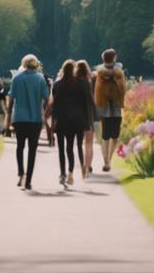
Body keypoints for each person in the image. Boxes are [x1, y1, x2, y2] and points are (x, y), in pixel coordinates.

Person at [7, 54, 49, 190]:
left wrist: (8, 115)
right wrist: (47, 115)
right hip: (35, 119)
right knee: (32, 150)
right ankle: (29, 179)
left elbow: (11, 98)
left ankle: (21, 173)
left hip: (19, 118)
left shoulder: (17, 78)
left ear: (23, 64)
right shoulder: (40, 78)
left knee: (20, 147)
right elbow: (46, 98)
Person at [51, 60, 93, 188]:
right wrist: (88, 121)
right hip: (77, 120)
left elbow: (55, 105)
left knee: (61, 150)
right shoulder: (80, 84)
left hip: (61, 120)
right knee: (70, 148)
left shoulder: (57, 85)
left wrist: (53, 122)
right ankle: (70, 172)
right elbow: (86, 103)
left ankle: (63, 173)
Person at [94, 49, 126, 172]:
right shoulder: (116, 71)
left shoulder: (101, 71)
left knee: (109, 136)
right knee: (110, 136)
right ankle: (107, 160)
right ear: (113, 58)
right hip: (110, 107)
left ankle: (107, 160)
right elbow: (122, 87)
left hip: (110, 107)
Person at [75, 60, 97, 177]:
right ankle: (88, 166)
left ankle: (83, 164)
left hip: (76, 116)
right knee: (89, 143)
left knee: (79, 143)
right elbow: (91, 102)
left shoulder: (74, 83)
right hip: (87, 116)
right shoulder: (90, 83)